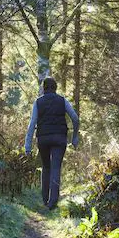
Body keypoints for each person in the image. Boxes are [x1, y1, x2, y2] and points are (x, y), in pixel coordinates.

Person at [25, 77, 79, 210]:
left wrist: (28, 146)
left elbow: (32, 124)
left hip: (43, 138)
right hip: (60, 138)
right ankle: (52, 203)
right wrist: (75, 137)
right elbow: (75, 119)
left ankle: (45, 199)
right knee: (56, 168)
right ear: (55, 88)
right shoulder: (62, 101)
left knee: (46, 167)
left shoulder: (38, 102)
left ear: (43, 88)